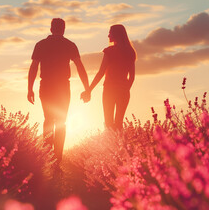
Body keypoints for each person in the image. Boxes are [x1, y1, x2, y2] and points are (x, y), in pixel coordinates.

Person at [28, 18, 90, 163]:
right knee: (61, 122)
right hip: (62, 87)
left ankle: (48, 157)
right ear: (63, 29)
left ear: (51, 29)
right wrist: (87, 88)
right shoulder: (69, 45)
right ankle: (58, 158)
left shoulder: (41, 44)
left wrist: (29, 88)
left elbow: (33, 68)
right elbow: (80, 67)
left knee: (48, 120)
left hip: (47, 86)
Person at [81, 24, 136, 130]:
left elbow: (101, 73)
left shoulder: (109, 51)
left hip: (109, 90)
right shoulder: (130, 52)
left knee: (108, 124)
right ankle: (120, 146)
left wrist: (89, 90)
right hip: (123, 91)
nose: (108, 35)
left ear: (116, 35)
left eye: (110, 32)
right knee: (119, 124)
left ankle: (111, 146)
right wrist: (125, 89)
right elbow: (132, 77)